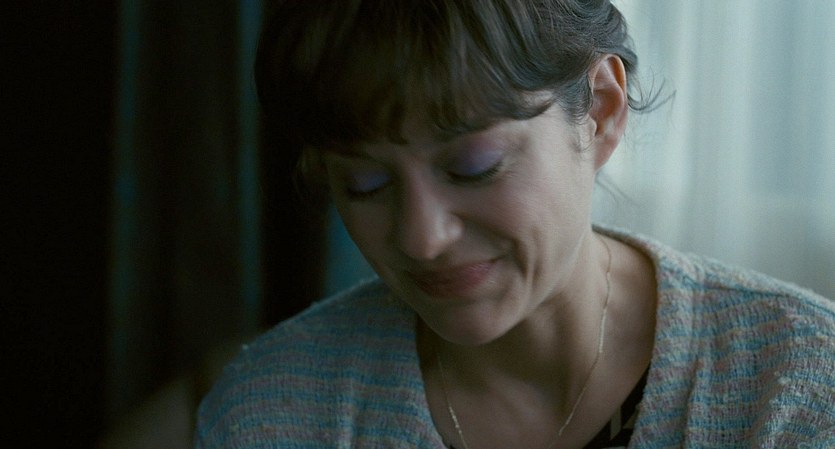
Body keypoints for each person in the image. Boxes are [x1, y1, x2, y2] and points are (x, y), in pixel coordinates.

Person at [195, 0, 835, 447]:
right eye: (365, 184)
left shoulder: (796, 384)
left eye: (473, 167)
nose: (422, 239)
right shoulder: (270, 414)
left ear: (601, 111)